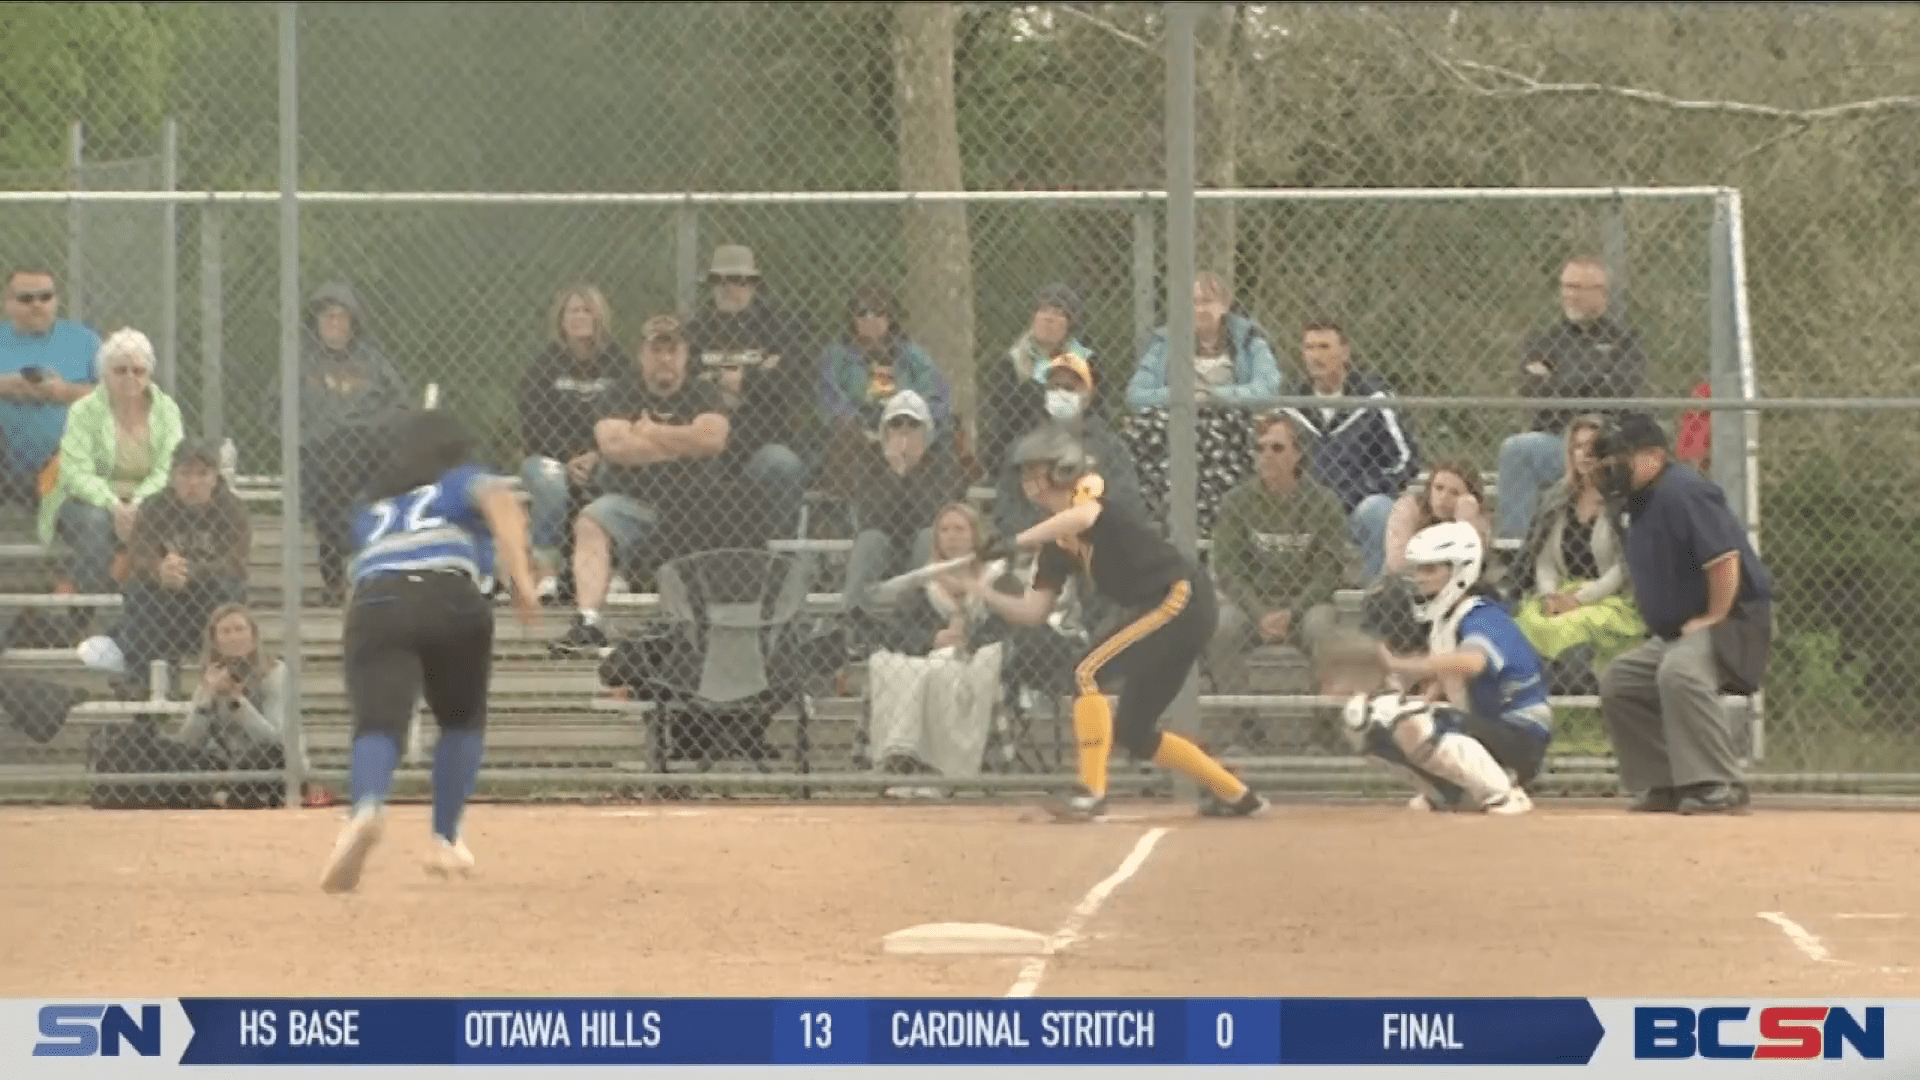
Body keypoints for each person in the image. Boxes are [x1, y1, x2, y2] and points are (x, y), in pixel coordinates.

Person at [960, 427, 1269, 821]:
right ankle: (1235, 794)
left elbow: (1085, 516)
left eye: (1036, 470)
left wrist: (1018, 541)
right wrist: (979, 589)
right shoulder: (1055, 545)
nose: (1027, 481)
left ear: (1063, 469)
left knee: (1085, 672)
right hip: (1160, 609)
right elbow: (1033, 611)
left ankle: (1090, 792)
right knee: (1134, 731)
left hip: (1177, 595)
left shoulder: (1087, 490)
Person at [318, 410, 539, 894]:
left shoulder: (370, 508)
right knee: (461, 719)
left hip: (375, 601)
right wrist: (521, 576)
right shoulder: (460, 479)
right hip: (450, 594)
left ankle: (367, 808)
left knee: (378, 723)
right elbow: (500, 499)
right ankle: (445, 837)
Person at [1594, 413, 1772, 815]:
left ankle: (1718, 783)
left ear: (1655, 456)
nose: (1612, 469)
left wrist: (1715, 615)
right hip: (1681, 631)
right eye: (1607, 461)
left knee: (1680, 672)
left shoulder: (1684, 491)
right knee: (1620, 681)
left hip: (1734, 621)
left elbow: (1725, 560)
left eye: (1622, 458)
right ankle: (1664, 782)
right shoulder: (1632, 503)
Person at [1368, 523, 1553, 812]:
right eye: (1418, 570)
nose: (1419, 578)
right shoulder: (1446, 620)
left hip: (1520, 733)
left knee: (1419, 723)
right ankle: (1446, 792)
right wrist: (1412, 702)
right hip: (1486, 728)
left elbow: (1472, 662)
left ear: (1459, 571)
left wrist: (1403, 664)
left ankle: (1505, 794)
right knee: (1374, 719)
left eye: (1429, 570)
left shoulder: (1481, 613)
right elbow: (1447, 679)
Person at [75, 441, 250, 690]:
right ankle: (143, 683)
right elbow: (139, 554)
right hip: (165, 599)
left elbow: (236, 562)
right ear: (172, 477)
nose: (193, 483)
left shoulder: (234, 510)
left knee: (229, 587)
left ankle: (229, 679)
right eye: (185, 474)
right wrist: (160, 570)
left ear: (215, 478)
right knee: (140, 589)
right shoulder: (155, 506)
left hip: (208, 599)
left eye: (202, 474)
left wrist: (188, 571)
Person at [864, 503, 1010, 793]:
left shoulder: (999, 578)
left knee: (939, 671)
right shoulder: (925, 584)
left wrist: (967, 639)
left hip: (977, 660)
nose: (951, 536)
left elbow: (1008, 626)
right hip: (932, 661)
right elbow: (899, 631)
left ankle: (942, 771)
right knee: (900, 666)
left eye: (960, 529)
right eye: (944, 530)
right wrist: (933, 639)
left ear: (976, 535)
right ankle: (905, 762)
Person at [1205, 411, 1350, 692]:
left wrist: (1291, 614)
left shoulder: (1324, 503)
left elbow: (1328, 572)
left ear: (1298, 455)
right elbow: (1227, 570)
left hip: (1306, 605)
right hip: (1253, 604)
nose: (1266, 455)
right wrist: (1260, 614)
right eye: (1260, 448)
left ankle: (1324, 717)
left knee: (1321, 627)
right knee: (1222, 628)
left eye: (1277, 448)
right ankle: (1243, 721)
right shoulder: (1237, 502)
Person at [1317, 626, 1531, 815]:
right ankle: (1449, 795)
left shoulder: (1388, 709)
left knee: (1419, 733)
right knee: (1381, 745)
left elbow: (1420, 731)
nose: (1323, 690)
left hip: (1506, 741)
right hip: (1462, 744)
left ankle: (1503, 793)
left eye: (1331, 681)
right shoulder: (1361, 716)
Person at [37, 328, 184, 599]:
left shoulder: (167, 411)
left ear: (149, 374)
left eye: (138, 370)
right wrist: (114, 505)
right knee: (95, 522)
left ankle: (147, 603)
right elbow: (75, 472)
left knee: (158, 521)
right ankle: (90, 607)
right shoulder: (84, 411)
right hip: (87, 499)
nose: (130, 377)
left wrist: (137, 502)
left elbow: (169, 468)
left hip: (149, 498)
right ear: (104, 374)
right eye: (120, 370)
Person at [295, 282, 412, 604]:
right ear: (315, 323)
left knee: (349, 460)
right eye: (326, 317)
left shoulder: (373, 362)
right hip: (320, 452)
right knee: (331, 468)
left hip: (368, 450)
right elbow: (275, 409)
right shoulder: (301, 363)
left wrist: (378, 429)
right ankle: (338, 575)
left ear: (353, 323)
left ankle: (343, 574)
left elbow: (401, 404)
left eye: (340, 317)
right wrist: (304, 435)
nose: (333, 323)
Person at [1512, 415, 1645, 694]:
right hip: (1562, 592)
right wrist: (1550, 595)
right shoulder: (1557, 497)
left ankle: (1579, 687)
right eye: (1577, 446)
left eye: (1592, 446)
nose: (1584, 454)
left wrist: (1579, 599)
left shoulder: (1623, 499)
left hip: (1612, 598)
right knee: (1527, 619)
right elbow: (1545, 559)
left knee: (1577, 622)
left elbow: (1625, 567)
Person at [516, 285, 624, 600]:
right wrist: (567, 458)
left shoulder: (618, 365)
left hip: (604, 454)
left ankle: (614, 570)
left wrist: (597, 454)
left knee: (619, 472)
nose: (579, 316)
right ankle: (546, 572)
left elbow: (627, 417)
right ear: (561, 321)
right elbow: (532, 424)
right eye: (572, 311)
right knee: (546, 478)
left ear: (599, 316)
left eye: (586, 309)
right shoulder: (542, 367)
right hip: (552, 457)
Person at [0, 268, 98, 506]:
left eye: (45, 297)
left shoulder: (83, 341)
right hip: (5, 464)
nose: (37, 304)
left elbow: (119, 396)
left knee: (92, 520)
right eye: (26, 298)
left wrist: (64, 392)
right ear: (7, 303)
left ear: (56, 300)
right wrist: (7, 386)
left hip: (65, 463)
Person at [173, 603, 299, 771]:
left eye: (240, 629)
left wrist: (237, 701)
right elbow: (188, 741)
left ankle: (225, 794)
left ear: (253, 636)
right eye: (225, 631)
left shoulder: (274, 672)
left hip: (264, 762)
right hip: (223, 761)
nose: (234, 637)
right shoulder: (211, 675)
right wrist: (207, 698)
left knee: (267, 753)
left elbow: (273, 740)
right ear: (215, 640)